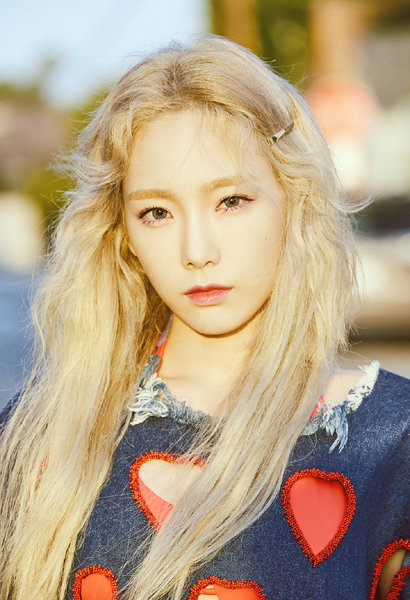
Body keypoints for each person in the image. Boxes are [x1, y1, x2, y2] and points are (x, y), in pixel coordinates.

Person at [0, 36, 408, 600]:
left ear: (294, 200)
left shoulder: (392, 437)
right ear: (123, 235)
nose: (196, 251)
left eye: (230, 201)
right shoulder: (39, 435)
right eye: (157, 212)